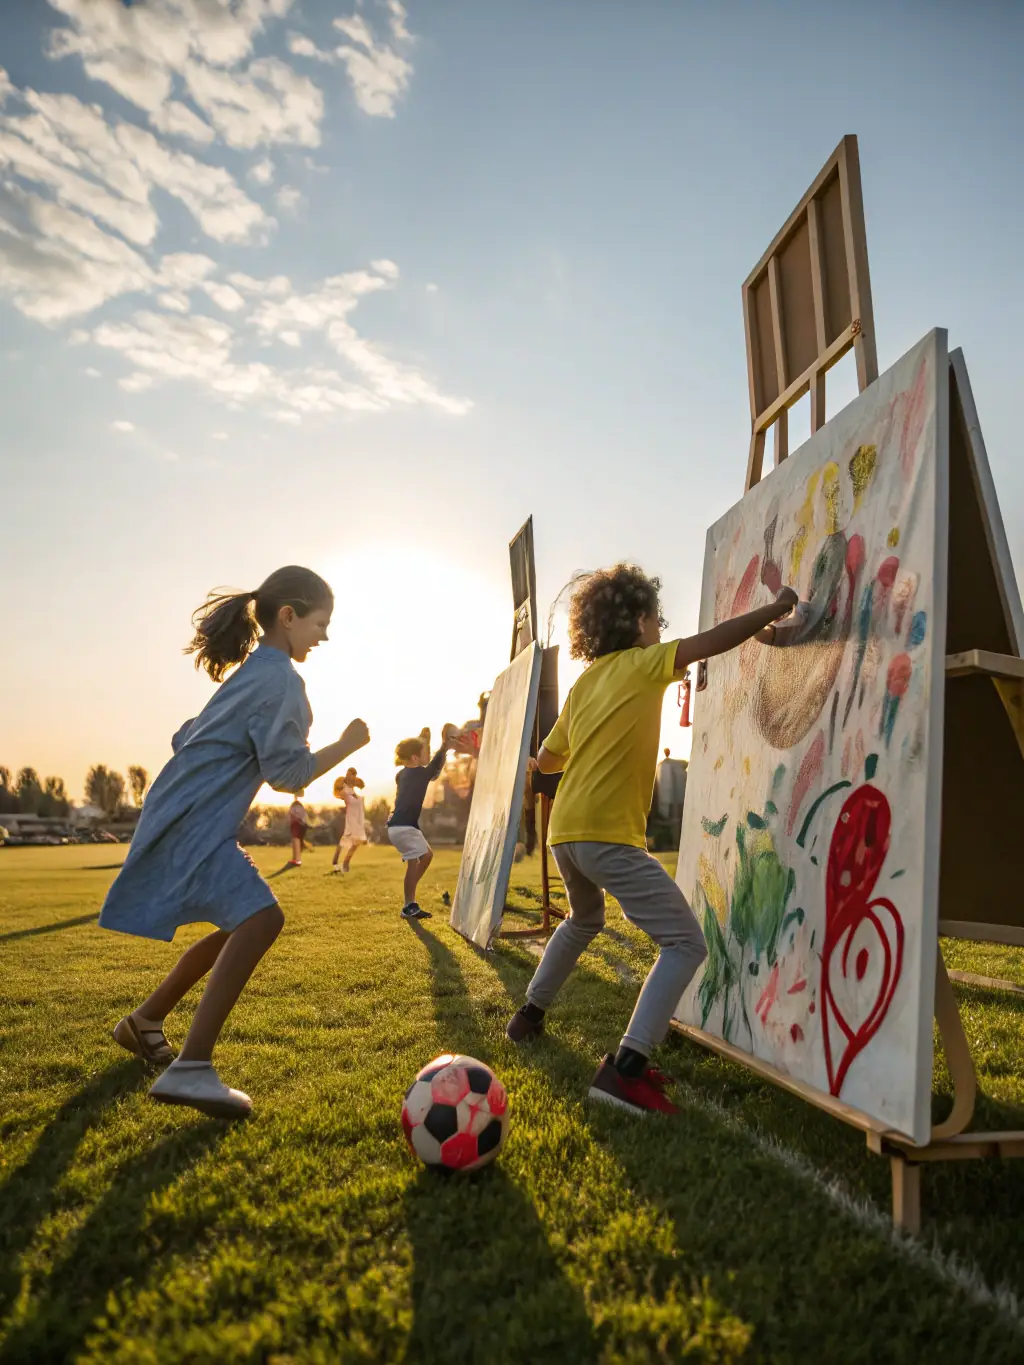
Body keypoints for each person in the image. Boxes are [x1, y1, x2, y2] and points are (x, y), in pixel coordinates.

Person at [505, 562, 798, 1115]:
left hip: (564, 833)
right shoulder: (644, 665)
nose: (662, 628)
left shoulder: (586, 681)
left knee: (584, 921)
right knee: (686, 943)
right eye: (657, 619)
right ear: (640, 623)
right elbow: (709, 642)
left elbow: (546, 761)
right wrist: (774, 608)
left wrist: (530, 763)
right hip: (606, 836)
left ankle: (528, 1017)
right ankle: (626, 1070)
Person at [100, 566, 370, 1119]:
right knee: (263, 920)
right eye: (320, 623)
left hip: (180, 812)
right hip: (195, 822)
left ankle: (145, 1022)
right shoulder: (281, 683)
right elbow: (287, 773)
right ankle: (193, 1067)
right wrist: (346, 744)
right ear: (288, 617)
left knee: (240, 924)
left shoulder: (252, 674)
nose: (324, 637)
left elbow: (187, 734)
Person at [388, 725, 457, 920]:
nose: (428, 753)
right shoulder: (418, 773)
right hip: (404, 827)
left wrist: (423, 740)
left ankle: (409, 906)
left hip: (397, 826)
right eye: (424, 752)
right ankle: (409, 898)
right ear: (415, 758)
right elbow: (434, 770)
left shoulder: (402, 774)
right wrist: (444, 746)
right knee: (426, 856)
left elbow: (428, 771)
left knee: (413, 863)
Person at [332, 768, 367, 872]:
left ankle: (345, 863)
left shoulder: (352, 791)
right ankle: (337, 862)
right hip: (350, 819)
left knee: (356, 841)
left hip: (357, 819)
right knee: (346, 840)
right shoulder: (344, 792)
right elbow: (340, 794)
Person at [288, 791, 308, 866]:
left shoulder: (297, 805)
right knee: (296, 841)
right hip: (299, 824)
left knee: (296, 840)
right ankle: (295, 858)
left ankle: (297, 859)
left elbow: (297, 815)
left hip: (298, 824)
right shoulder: (298, 804)